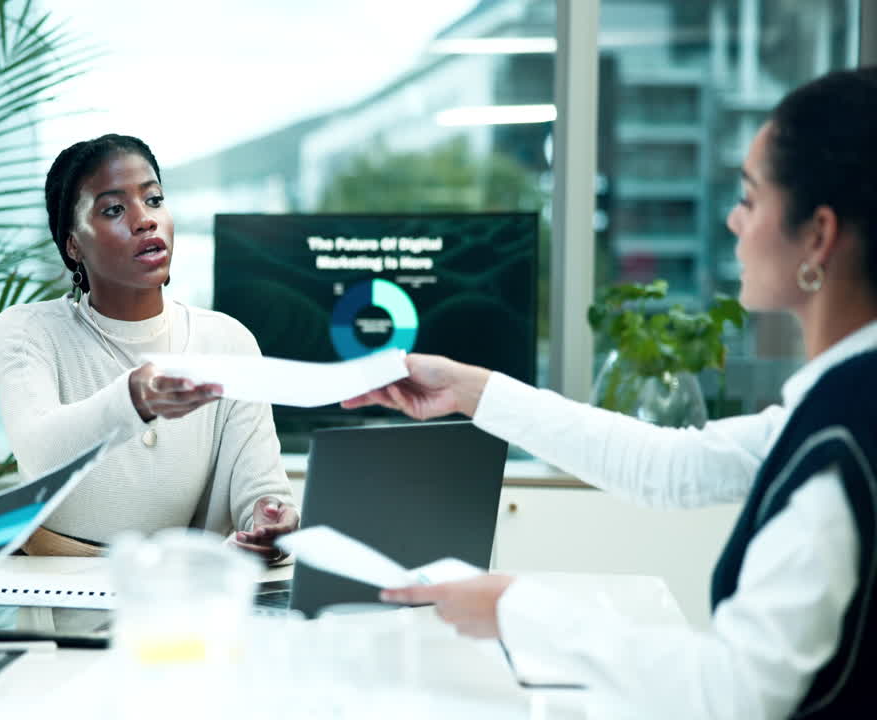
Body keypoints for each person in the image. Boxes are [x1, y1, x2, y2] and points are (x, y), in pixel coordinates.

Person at [344, 66, 877, 718]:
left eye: (750, 198)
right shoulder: (842, 405)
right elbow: (672, 466)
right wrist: (471, 390)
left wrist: (517, 610)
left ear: (818, 236)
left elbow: (735, 695)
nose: (736, 222)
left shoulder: (845, 437)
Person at [0, 134, 297, 559]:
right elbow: (41, 452)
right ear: (73, 245)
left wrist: (269, 519)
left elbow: (260, 487)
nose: (144, 220)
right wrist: (134, 397)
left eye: (153, 200)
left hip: (179, 592)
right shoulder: (28, 331)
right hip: (50, 590)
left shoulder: (227, 341)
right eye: (114, 209)